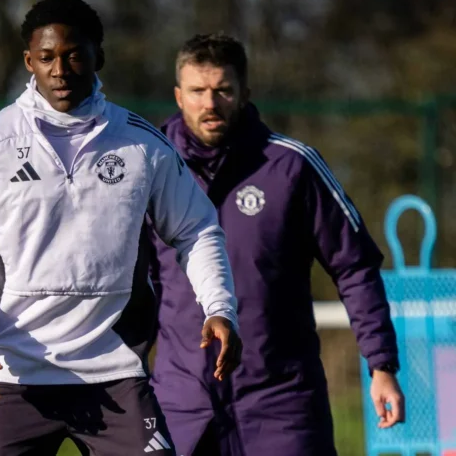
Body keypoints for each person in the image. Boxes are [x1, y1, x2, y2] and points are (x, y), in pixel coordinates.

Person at [0, 0, 242, 456]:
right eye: (46, 57)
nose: (60, 70)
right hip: (16, 375)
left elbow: (197, 229)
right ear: (29, 61)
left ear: (98, 56)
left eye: (73, 55)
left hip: (116, 374)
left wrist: (219, 307)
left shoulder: (141, 145)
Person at [148, 34, 405, 456]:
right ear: (178, 96)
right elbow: (127, 281)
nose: (210, 103)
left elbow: (355, 266)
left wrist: (381, 365)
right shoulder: (151, 167)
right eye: (197, 91)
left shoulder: (292, 166)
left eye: (223, 90)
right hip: (183, 405)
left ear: (244, 93)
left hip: (282, 404)